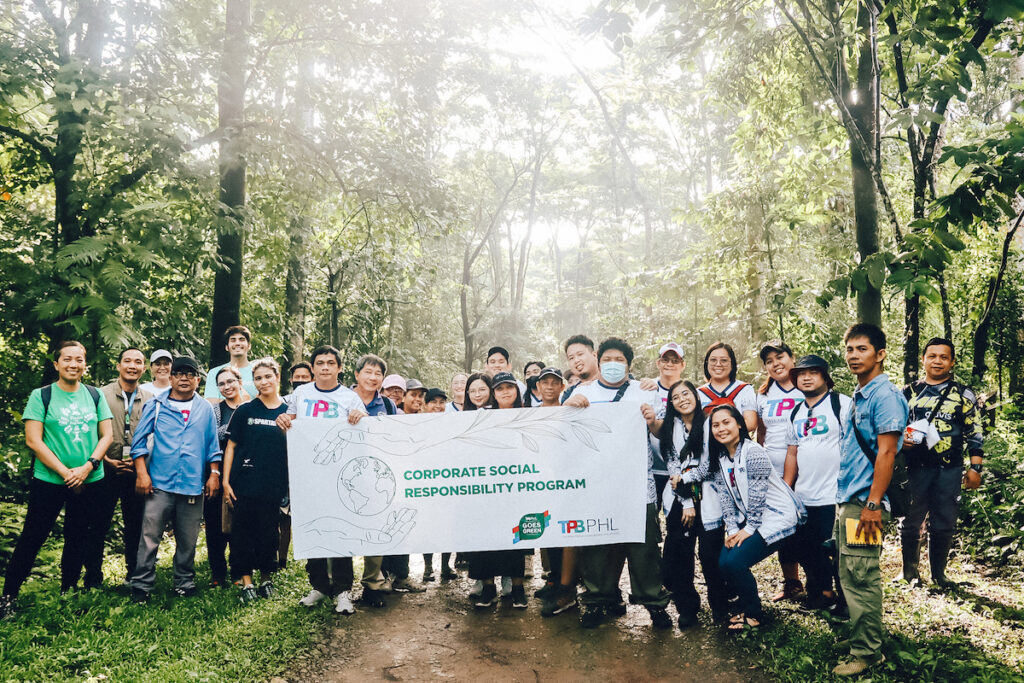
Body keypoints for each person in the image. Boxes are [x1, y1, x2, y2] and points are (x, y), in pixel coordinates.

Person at [564, 337, 672, 629]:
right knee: (598, 545)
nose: (613, 365)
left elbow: (663, 436)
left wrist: (653, 423)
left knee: (645, 547)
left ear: (629, 364)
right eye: (608, 360)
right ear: (598, 362)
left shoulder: (645, 391)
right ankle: (597, 600)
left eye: (619, 360)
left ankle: (654, 603)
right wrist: (569, 407)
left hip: (639, 485)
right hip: (597, 485)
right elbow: (565, 436)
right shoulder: (581, 391)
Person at [1, 342, 114, 617]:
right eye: (67, 359)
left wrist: (87, 467)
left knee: (77, 535)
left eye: (79, 360)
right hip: (50, 481)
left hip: (89, 478)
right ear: (56, 364)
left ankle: (68, 589)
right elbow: (33, 440)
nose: (73, 364)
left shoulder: (95, 395)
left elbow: (107, 436)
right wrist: (66, 473)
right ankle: (8, 597)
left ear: (85, 365)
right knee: (33, 536)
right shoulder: (42, 396)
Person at [277, 346, 382, 613]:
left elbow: (366, 430)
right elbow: (291, 422)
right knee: (312, 528)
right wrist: (283, 420)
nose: (325, 367)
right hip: (308, 475)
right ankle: (320, 586)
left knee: (340, 529)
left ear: (339, 368)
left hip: (340, 475)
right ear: (312, 368)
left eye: (330, 363)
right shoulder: (300, 394)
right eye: (320, 363)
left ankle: (343, 590)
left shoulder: (349, 397)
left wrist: (362, 417)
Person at [832, 323, 909, 677]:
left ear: (880, 354)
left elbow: (887, 454)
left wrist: (873, 504)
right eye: (849, 349)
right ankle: (863, 636)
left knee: (862, 575)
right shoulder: (860, 394)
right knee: (850, 571)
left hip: (867, 503)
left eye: (861, 349)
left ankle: (868, 652)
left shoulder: (885, 396)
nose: (853, 356)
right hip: (851, 500)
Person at [129, 356, 221, 602]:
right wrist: (142, 474)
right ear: (170, 378)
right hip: (159, 483)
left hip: (192, 484)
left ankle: (184, 582)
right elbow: (138, 443)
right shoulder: (156, 405)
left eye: (189, 374)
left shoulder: (205, 409)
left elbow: (213, 445)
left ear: (198, 380)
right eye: (179, 373)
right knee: (149, 537)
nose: (184, 378)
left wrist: (214, 474)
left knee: (188, 538)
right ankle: (142, 584)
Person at [708, 405, 804, 632]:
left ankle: (754, 614)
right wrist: (732, 529)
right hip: (749, 519)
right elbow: (725, 497)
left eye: (726, 422)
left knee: (735, 562)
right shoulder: (720, 457)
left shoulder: (753, 452)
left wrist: (748, 529)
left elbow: (759, 497)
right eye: (715, 425)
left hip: (776, 516)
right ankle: (744, 605)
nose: (721, 428)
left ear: (739, 424)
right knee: (723, 563)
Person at [899, 337, 984, 589]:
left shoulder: (963, 393)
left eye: (944, 357)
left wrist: (975, 467)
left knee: (944, 520)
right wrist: (903, 440)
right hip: (914, 468)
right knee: (910, 519)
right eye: (932, 356)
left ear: (952, 362)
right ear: (923, 359)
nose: (937, 361)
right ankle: (909, 573)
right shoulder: (908, 392)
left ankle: (939, 575)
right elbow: (894, 428)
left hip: (950, 468)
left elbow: (975, 432)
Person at [784, 355, 851, 609]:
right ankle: (820, 594)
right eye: (801, 374)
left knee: (833, 550)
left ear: (825, 376)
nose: (807, 377)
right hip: (804, 495)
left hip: (833, 494)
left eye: (813, 372)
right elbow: (792, 452)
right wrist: (787, 490)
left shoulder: (841, 404)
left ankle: (843, 599)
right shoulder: (796, 411)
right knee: (806, 548)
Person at [223, 359, 289, 604]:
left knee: (269, 533)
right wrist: (226, 482)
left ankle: (266, 578)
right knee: (242, 533)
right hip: (244, 483)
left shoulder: (289, 412)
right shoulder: (246, 410)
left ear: (277, 377)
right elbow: (231, 446)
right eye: (258, 378)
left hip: (273, 485)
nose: (263, 382)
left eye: (267, 377)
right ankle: (246, 581)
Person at [647, 380, 711, 629]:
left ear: (695, 396)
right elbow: (672, 463)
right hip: (679, 497)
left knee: (706, 553)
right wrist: (685, 500)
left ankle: (707, 606)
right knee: (677, 554)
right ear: (670, 403)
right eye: (676, 396)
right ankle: (686, 602)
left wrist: (686, 480)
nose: (682, 399)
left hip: (708, 495)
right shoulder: (669, 428)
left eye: (687, 393)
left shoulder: (708, 424)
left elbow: (708, 464)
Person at [467, 372, 529, 609]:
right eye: (499, 388)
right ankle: (489, 588)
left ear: (517, 390)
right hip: (484, 488)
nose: (505, 392)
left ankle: (518, 589)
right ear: (494, 392)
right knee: (484, 537)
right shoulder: (482, 417)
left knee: (515, 539)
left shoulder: (528, 415)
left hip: (516, 488)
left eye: (509, 388)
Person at [94, 348, 152, 587]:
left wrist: (142, 464)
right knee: (97, 523)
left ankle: (134, 574)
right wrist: (104, 459)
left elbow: (155, 435)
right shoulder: (100, 395)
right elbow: (90, 430)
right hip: (105, 468)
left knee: (136, 525)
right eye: (127, 361)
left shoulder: (150, 398)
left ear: (144, 368)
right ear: (118, 366)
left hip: (137, 471)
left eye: (138, 362)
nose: (132, 366)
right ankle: (93, 577)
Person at [755, 340, 805, 602]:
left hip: (804, 467)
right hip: (773, 470)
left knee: (807, 528)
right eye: (769, 361)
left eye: (780, 357)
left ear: (791, 358)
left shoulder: (806, 387)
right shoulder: (764, 394)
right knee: (783, 524)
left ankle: (821, 581)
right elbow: (760, 432)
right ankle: (792, 582)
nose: (776, 364)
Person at [207, 366, 245, 587]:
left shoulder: (251, 407)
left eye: (230, 381)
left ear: (239, 382)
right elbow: (211, 438)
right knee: (214, 525)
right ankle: (217, 574)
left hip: (243, 473)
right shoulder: (215, 410)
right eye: (222, 384)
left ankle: (239, 571)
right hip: (217, 471)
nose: (227, 387)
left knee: (239, 526)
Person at [462, 372, 495, 598]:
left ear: (491, 390)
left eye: (482, 389)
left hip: (498, 483)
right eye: (472, 391)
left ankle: (508, 581)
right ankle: (483, 581)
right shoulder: (461, 418)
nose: (477, 394)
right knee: (478, 535)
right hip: (472, 487)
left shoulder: (503, 413)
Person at [278, 361, 313, 569]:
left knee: (298, 515)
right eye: (297, 378)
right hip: (283, 462)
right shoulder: (282, 402)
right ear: (291, 380)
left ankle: (304, 559)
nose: (300, 381)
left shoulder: (316, 403)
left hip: (308, 466)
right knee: (280, 513)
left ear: (312, 379)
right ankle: (278, 559)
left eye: (305, 378)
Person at [648, 342, 686, 504]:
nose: (670, 364)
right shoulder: (647, 388)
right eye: (665, 360)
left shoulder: (688, 392)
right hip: (651, 469)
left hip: (680, 469)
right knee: (650, 519)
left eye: (675, 361)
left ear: (682, 365)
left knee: (677, 520)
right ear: (658, 363)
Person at [698, 342, 757, 433]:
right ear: (707, 363)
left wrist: (725, 435)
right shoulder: (698, 393)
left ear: (732, 364)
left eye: (724, 360)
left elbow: (751, 423)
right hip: (706, 446)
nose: (718, 364)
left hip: (737, 446)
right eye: (713, 360)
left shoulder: (745, 390)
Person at [204, 325, 258, 400]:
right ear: (227, 347)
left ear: (249, 346)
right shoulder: (214, 373)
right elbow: (212, 403)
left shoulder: (258, 372)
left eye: (241, 339)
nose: (237, 343)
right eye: (233, 340)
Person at [561, 335, 599, 403]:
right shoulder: (569, 394)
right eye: (571, 358)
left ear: (594, 355)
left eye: (580, 354)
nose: (576, 360)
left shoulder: (613, 383)